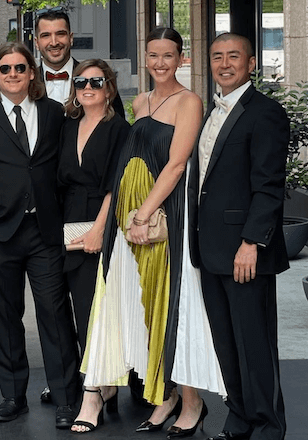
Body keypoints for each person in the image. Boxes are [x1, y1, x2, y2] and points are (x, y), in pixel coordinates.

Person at [72, 28, 225, 435]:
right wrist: (124, 219)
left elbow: (176, 165)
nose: (160, 62)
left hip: (161, 219)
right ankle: (165, 396)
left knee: (172, 307)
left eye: (168, 55)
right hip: (129, 221)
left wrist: (143, 213)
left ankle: (192, 404)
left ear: (181, 58)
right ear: (146, 57)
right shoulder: (141, 101)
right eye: (153, 55)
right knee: (140, 310)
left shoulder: (188, 102)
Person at [0, 42, 80, 429]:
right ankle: (13, 396)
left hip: (44, 231)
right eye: (5, 69)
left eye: (20, 68)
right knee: (6, 317)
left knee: (55, 315)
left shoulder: (54, 113)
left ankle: (65, 398)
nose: (12, 75)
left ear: (31, 73)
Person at [188, 33, 289, 440]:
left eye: (234, 57)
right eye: (217, 57)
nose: (224, 64)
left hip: (245, 252)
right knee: (226, 345)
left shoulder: (266, 113)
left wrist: (252, 242)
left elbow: (269, 185)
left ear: (251, 65)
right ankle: (241, 418)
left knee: (255, 347)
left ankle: (267, 426)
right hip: (209, 248)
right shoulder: (210, 112)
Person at [57, 59, 130, 358]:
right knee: (77, 305)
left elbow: (117, 184)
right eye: (81, 82)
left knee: (96, 307)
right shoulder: (68, 126)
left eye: (96, 82)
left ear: (109, 88)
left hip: (101, 222)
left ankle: (99, 384)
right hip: (68, 221)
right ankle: (93, 380)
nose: (88, 88)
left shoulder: (119, 128)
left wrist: (99, 230)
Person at [34, 8, 125, 117]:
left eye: (60, 34)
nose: (54, 43)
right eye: (46, 35)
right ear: (37, 43)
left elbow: (117, 123)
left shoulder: (97, 78)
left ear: (71, 38)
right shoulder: (28, 82)